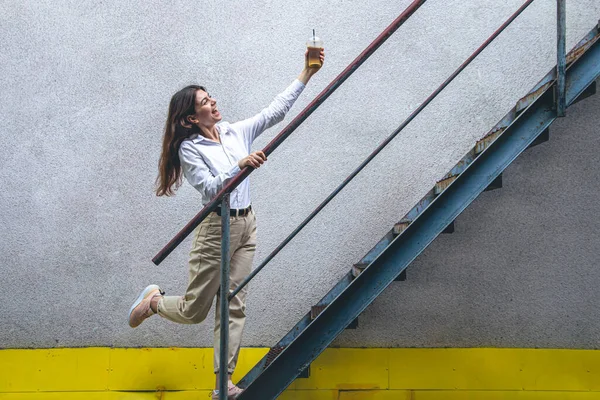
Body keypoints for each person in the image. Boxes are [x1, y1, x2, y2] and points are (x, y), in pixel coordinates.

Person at [128, 48, 325, 399]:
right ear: (190, 117)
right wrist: (240, 166)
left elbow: (274, 112)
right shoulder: (190, 149)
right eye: (205, 100)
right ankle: (155, 301)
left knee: (234, 303)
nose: (213, 101)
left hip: (246, 225)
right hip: (215, 230)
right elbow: (209, 187)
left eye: (210, 96)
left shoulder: (234, 132)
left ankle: (223, 384)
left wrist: (306, 72)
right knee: (194, 312)